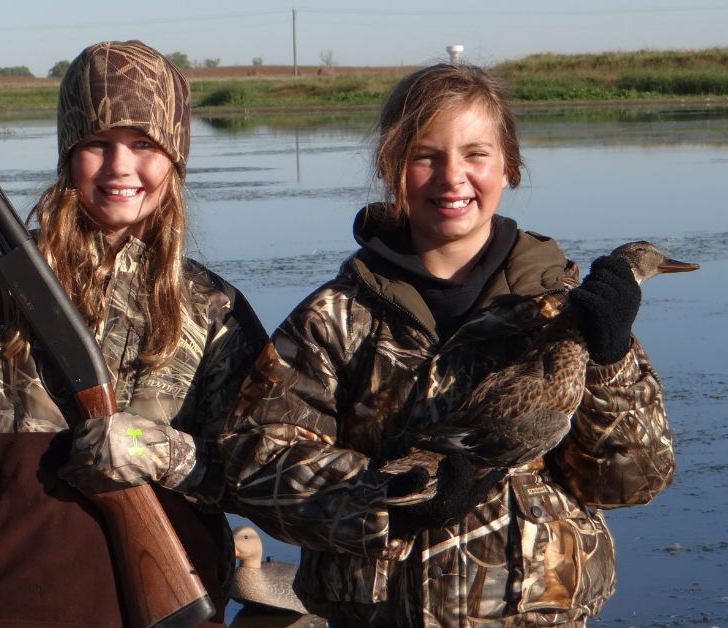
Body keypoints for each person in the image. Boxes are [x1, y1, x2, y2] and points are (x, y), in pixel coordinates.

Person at [220, 63, 675, 626]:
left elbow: (630, 482)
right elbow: (255, 461)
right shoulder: (335, 317)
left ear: (509, 166)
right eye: (425, 155)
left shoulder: (565, 316)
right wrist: (390, 502)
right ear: (391, 169)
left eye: (476, 153)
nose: (452, 175)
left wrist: (610, 361)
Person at [0, 40, 267, 626]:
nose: (119, 167)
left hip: (165, 588)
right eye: (96, 144)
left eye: (144, 145)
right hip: (10, 590)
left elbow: (255, 472)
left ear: (175, 159)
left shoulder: (211, 308)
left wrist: (160, 452)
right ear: (68, 155)